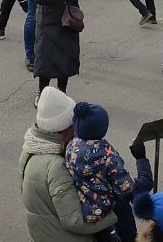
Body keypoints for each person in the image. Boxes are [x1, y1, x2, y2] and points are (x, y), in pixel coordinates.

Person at [20, 86, 118, 241]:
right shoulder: (56, 166)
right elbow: (75, 221)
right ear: (66, 127)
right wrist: (113, 215)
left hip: (43, 234)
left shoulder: (29, 149)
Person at [32, 0, 99, 103]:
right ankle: (42, 93)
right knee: (46, 62)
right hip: (49, 23)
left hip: (69, 22)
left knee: (65, 61)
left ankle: (62, 93)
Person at [65, 102, 135, 242]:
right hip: (110, 209)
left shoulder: (71, 147)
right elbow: (124, 187)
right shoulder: (108, 155)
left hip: (86, 207)